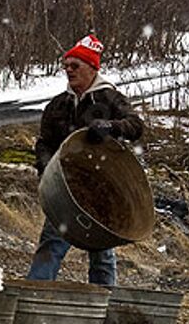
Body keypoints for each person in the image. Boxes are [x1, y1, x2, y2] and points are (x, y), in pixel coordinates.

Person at [27, 34, 144, 285]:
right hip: (64, 187)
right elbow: (44, 142)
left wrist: (111, 127)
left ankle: (102, 304)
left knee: (101, 252)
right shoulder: (58, 105)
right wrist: (46, 168)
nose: (68, 71)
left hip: (101, 188)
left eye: (75, 65)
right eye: (66, 66)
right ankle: (35, 294)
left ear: (92, 67)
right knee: (51, 243)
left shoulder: (110, 99)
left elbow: (136, 126)